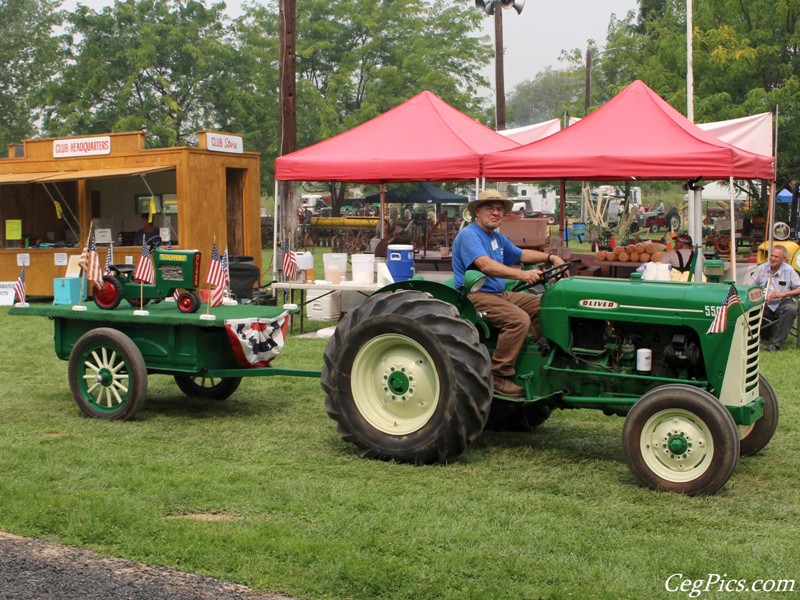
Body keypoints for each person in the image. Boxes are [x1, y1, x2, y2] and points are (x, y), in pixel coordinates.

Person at [452, 189, 566, 397]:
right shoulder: (469, 235)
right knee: (518, 320)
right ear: (477, 212)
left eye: (499, 209)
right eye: (490, 208)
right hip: (475, 296)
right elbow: (485, 265)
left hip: (498, 294)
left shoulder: (496, 237)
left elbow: (521, 254)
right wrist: (522, 276)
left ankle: (536, 358)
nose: (495, 213)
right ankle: (499, 376)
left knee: (545, 305)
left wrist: (550, 259)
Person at [746, 244, 800, 351]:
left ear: (784, 259)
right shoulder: (761, 268)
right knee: (750, 308)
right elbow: (749, 287)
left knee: (791, 309)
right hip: (764, 303)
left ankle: (776, 345)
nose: (772, 258)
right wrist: (760, 296)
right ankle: (755, 341)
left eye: (776, 257)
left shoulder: (789, 270)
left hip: (783, 302)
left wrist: (782, 294)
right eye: (771, 256)